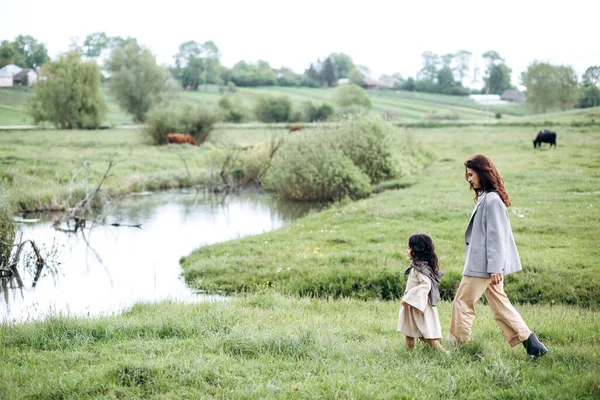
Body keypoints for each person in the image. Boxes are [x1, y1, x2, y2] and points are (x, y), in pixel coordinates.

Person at [448, 154, 548, 358]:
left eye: (471, 174)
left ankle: (458, 347)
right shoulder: (486, 197)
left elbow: (497, 237)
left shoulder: (492, 200)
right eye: (467, 175)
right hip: (485, 265)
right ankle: (532, 344)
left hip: (483, 266)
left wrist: (495, 267)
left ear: (482, 173)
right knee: (500, 306)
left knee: (462, 302)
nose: (468, 179)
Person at [397, 233, 447, 353]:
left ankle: (444, 354)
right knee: (408, 331)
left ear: (417, 250)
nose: (407, 251)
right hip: (412, 306)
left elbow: (426, 285)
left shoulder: (420, 269)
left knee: (428, 336)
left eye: (409, 248)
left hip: (419, 306)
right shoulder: (417, 267)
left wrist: (408, 297)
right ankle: (409, 355)